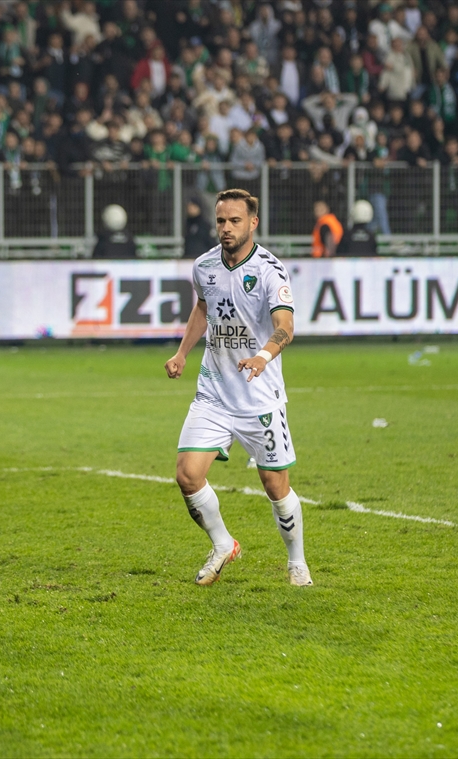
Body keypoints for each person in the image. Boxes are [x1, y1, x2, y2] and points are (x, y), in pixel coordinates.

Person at [164, 188, 311, 588]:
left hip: (259, 397)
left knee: (275, 486)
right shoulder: (204, 266)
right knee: (187, 475)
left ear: (253, 223)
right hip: (213, 392)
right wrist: (182, 353)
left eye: (234, 221)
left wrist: (263, 356)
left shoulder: (269, 270)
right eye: (221, 221)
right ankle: (223, 544)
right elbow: (203, 307)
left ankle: (297, 562)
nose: (226, 228)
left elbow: (285, 327)